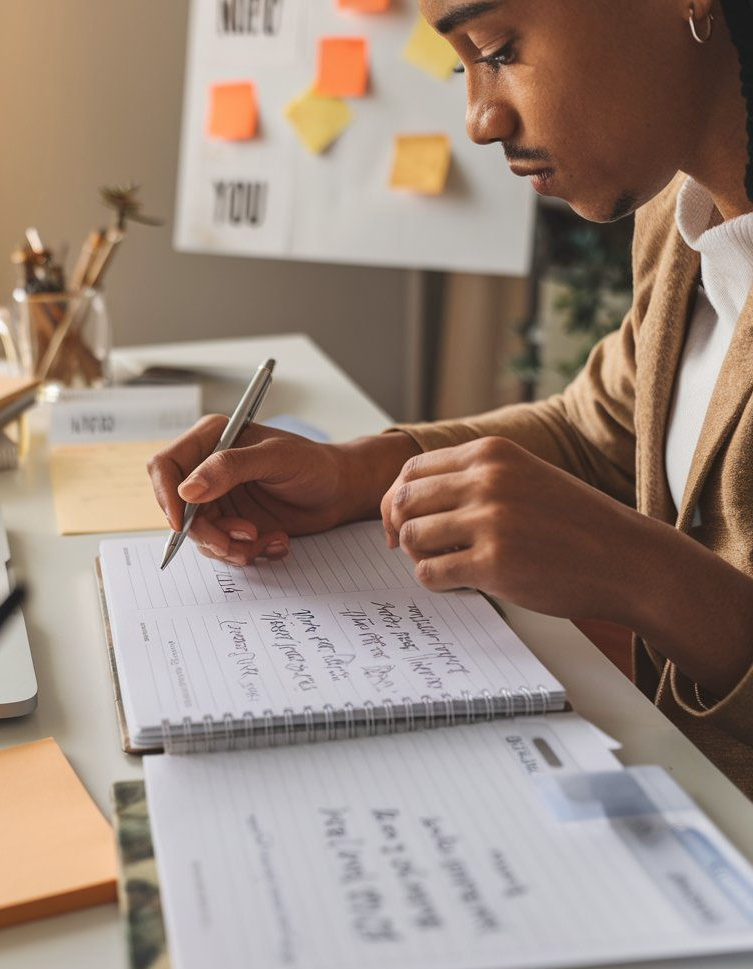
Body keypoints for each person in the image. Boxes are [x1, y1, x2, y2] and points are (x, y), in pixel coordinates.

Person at [148, 0, 753, 796]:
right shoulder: (682, 221)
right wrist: (355, 473)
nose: (478, 119)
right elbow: (599, 428)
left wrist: (640, 575)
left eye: (498, 49)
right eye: (458, 65)